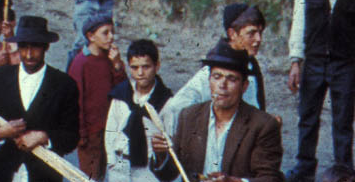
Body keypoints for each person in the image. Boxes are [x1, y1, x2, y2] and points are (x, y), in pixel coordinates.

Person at [150, 41, 283, 182]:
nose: (222, 85)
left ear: (244, 86)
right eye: (217, 77)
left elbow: (270, 178)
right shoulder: (189, 116)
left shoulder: (263, 125)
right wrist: (162, 155)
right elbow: (172, 175)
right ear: (209, 81)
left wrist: (234, 181)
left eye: (231, 79)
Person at [0, 15, 80, 182]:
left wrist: (45, 137)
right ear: (17, 47)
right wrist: (0, 132)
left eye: (36, 47)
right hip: (2, 173)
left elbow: (71, 136)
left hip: (44, 176)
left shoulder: (64, 84)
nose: (29, 54)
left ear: (46, 47)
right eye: (24, 47)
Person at [287, 0, 355, 182]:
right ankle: (304, 167)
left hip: (345, 64)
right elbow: (298, 24)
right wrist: (296, 61)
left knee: (343, 120)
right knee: (308, 116)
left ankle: (343, 171)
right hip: (314, 62)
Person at [162, 4, 269, 129]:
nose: (258, 39)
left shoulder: (251, 65)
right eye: (251, 33)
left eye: (260, 32)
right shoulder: (213, 69)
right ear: (232, 34)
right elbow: (175, 108)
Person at [104, 39, 172, 182]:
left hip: (147, 170)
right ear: (128, 67)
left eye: (146, 67)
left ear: (157, 66)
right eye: (134, 67)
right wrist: (111, 162)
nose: (140, 73)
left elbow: (170, 138)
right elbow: (110, 129)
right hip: (119, 164)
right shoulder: (121, 94)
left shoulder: (165, 101)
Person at [69, 16, 126, 181]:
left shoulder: (110, 59)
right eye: (105, 33)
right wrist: (81, 134)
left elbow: (123, 92)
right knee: (90, 176)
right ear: (91, 36)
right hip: (90, 135)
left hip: (111, 130)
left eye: (112, 32)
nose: (111, 37)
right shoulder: (81, 63)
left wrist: (117, 66)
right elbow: (75, 102)